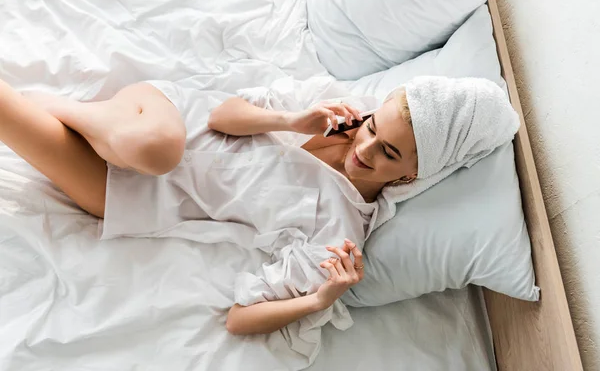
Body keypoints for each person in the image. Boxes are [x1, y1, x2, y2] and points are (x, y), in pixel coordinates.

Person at [0, 79, 418, 335]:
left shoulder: (338, 235)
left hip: (129, 194)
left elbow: (238, 320)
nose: (365, 147)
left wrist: (320, 300)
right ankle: (61, 109)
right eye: (373, 127)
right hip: (169, 120)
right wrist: (290, 120)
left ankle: (59, 113)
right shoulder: (334, 110)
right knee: (157, 149)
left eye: (390, 152)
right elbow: (221, 115)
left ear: (408, 177)